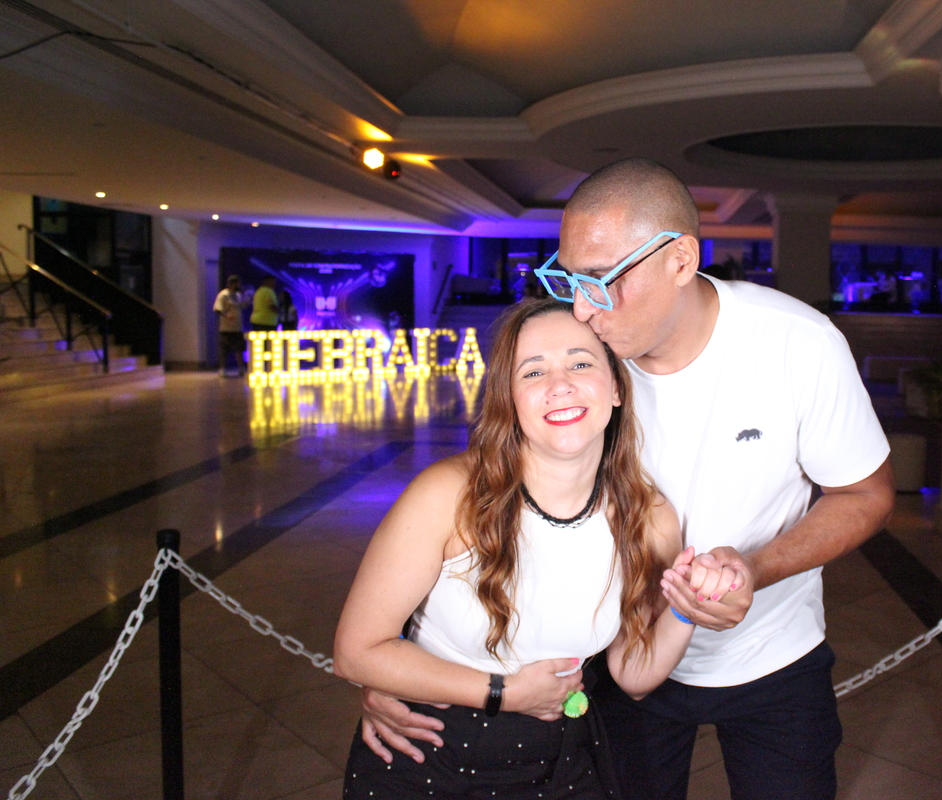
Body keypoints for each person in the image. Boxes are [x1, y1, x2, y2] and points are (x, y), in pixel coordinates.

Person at [360, 158, 894, 800]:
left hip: (773, 651)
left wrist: (754, 569)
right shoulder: (587, 351)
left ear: (681, 259)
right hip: (612, 661)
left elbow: (866, 494)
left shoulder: (797, 343)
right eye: (570, 279)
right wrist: (403, 666)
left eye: (603, 279)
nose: (583, 306)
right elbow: (484, 514)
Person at [335, 298, 730, 799]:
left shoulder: (649, 516)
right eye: (534, 371)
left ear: (615, 387)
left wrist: (685, 608)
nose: (559, 384)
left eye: (580, 364)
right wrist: (503, 692)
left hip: (561, 759)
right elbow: (356, 652)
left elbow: (634, 673)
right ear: (509, 398)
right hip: (429, 752)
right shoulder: (449, 495)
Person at [213, 275, 246, 377]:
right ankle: (222, 369)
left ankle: (241, 368)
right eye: (237, 284)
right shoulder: (223, 295)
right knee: (224, 349)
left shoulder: (237, 296)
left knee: (239, 349)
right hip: (226, 328)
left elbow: (240, 306)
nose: (238, 286)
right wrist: (226, 315)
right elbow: (217, 309)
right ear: (232, 284)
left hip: (237, 327)